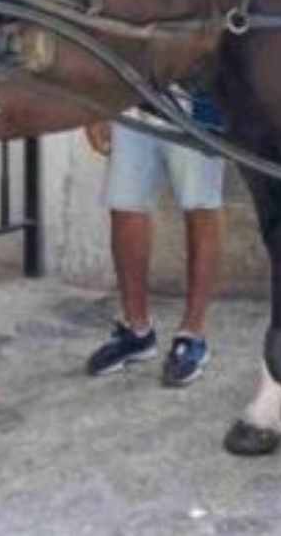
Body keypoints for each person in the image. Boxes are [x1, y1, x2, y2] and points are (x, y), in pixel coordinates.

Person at [84, 87, 227, 386]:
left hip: (196, 100)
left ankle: (193, 333)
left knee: (201, 206)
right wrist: (95, 109)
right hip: (129, 98)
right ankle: (137, 331)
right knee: (124, 207)